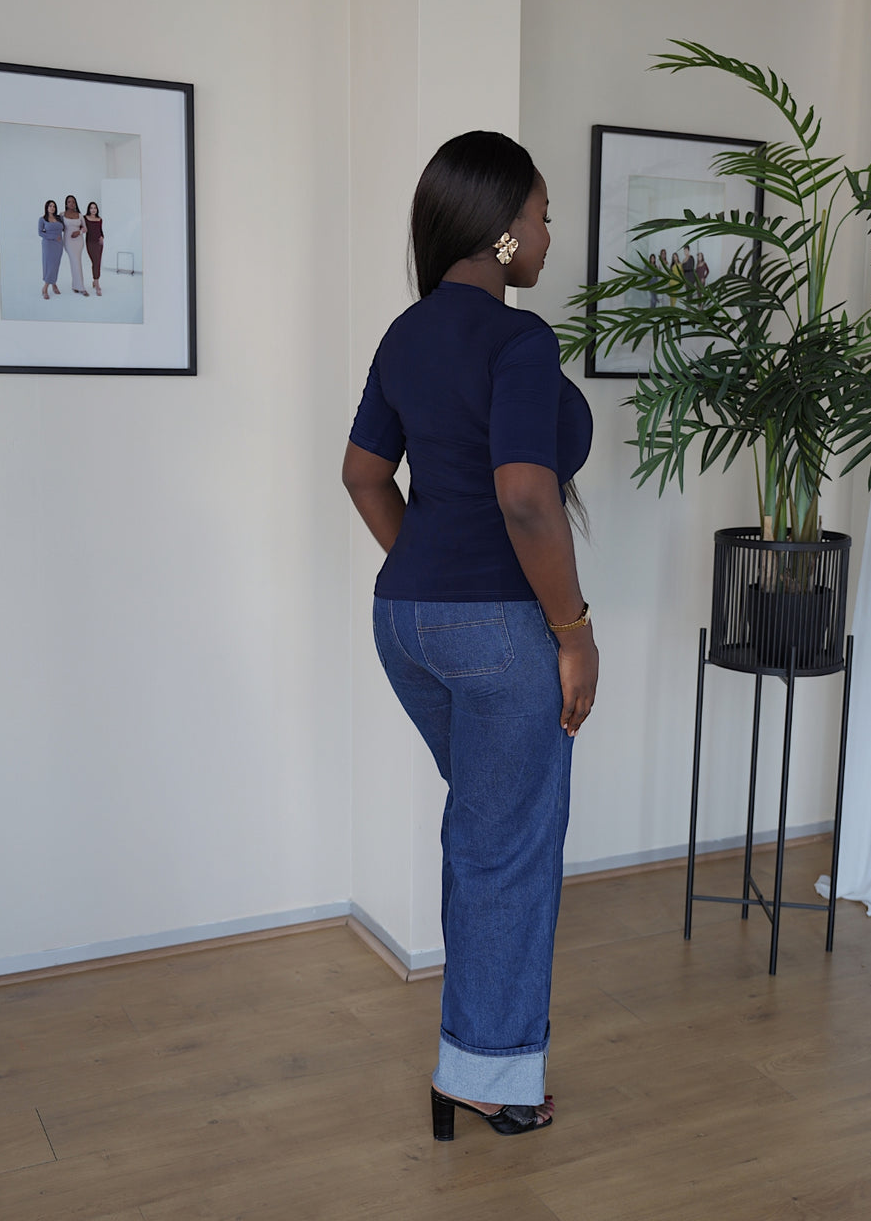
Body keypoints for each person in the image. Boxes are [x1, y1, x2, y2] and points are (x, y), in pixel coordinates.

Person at [342, 131, 597, 1142]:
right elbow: (527, 496)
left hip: (403, 621)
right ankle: (485, 1077)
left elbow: (364, 475)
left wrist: (430, 580)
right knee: (509, 847)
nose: (545, 233)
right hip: (499, 632)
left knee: (483, 832)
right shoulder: (518, 340)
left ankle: (475, 1056)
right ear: (499, 230)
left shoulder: (406, 335)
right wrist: (572, 632)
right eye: (539, 214)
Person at [62, 195, 88, 295]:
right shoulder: (62, 215)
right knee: (75, 262)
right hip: (68, 242)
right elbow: (59, 226)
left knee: (76, 263)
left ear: (75, 203)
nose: (71, 203)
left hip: (79, 241)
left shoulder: (80, 215)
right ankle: (80, 287)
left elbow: (85, 228)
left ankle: (76, 286)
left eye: (73, 202)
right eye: (69, 202)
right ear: (66, 204)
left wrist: (79, 232)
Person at [38, 200, 64, 299]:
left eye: (53, 206)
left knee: (56, 265)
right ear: (46, 207)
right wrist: (53, 236)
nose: (52, 208)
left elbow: (65, 224)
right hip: (48, 245)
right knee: (49, 265)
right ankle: (45, 288)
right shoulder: (42, 219)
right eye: (50, 206)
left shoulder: (59, 218)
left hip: (58, 245)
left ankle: (54, 283)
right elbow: (40, 233)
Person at [85, 202, 104, 296]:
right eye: (91, 208)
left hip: (99, 243)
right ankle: (96, 282)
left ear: (97, 209)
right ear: (89, 209)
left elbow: (100, 231)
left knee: (97, 262)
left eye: (95, 208)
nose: (93, 210)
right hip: (90, 243)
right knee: (95, 262)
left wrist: (102, 237)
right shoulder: (85, 218)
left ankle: (96, 282)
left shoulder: (100, 219)